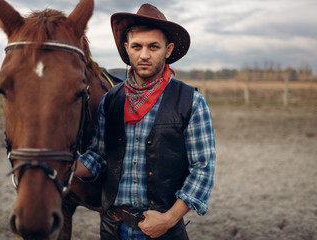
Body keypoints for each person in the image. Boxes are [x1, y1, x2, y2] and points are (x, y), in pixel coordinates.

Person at [74, 3, 216, 240]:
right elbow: (98, 156)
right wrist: (64, 166)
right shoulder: (111, 100)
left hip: (165, 230)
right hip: (113, 229)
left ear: (168, 49)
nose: (145, 55)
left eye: (154, 46)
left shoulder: (191, 102)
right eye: (137, 46)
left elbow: (202, 170)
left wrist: (168, 219)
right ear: (127, 48)